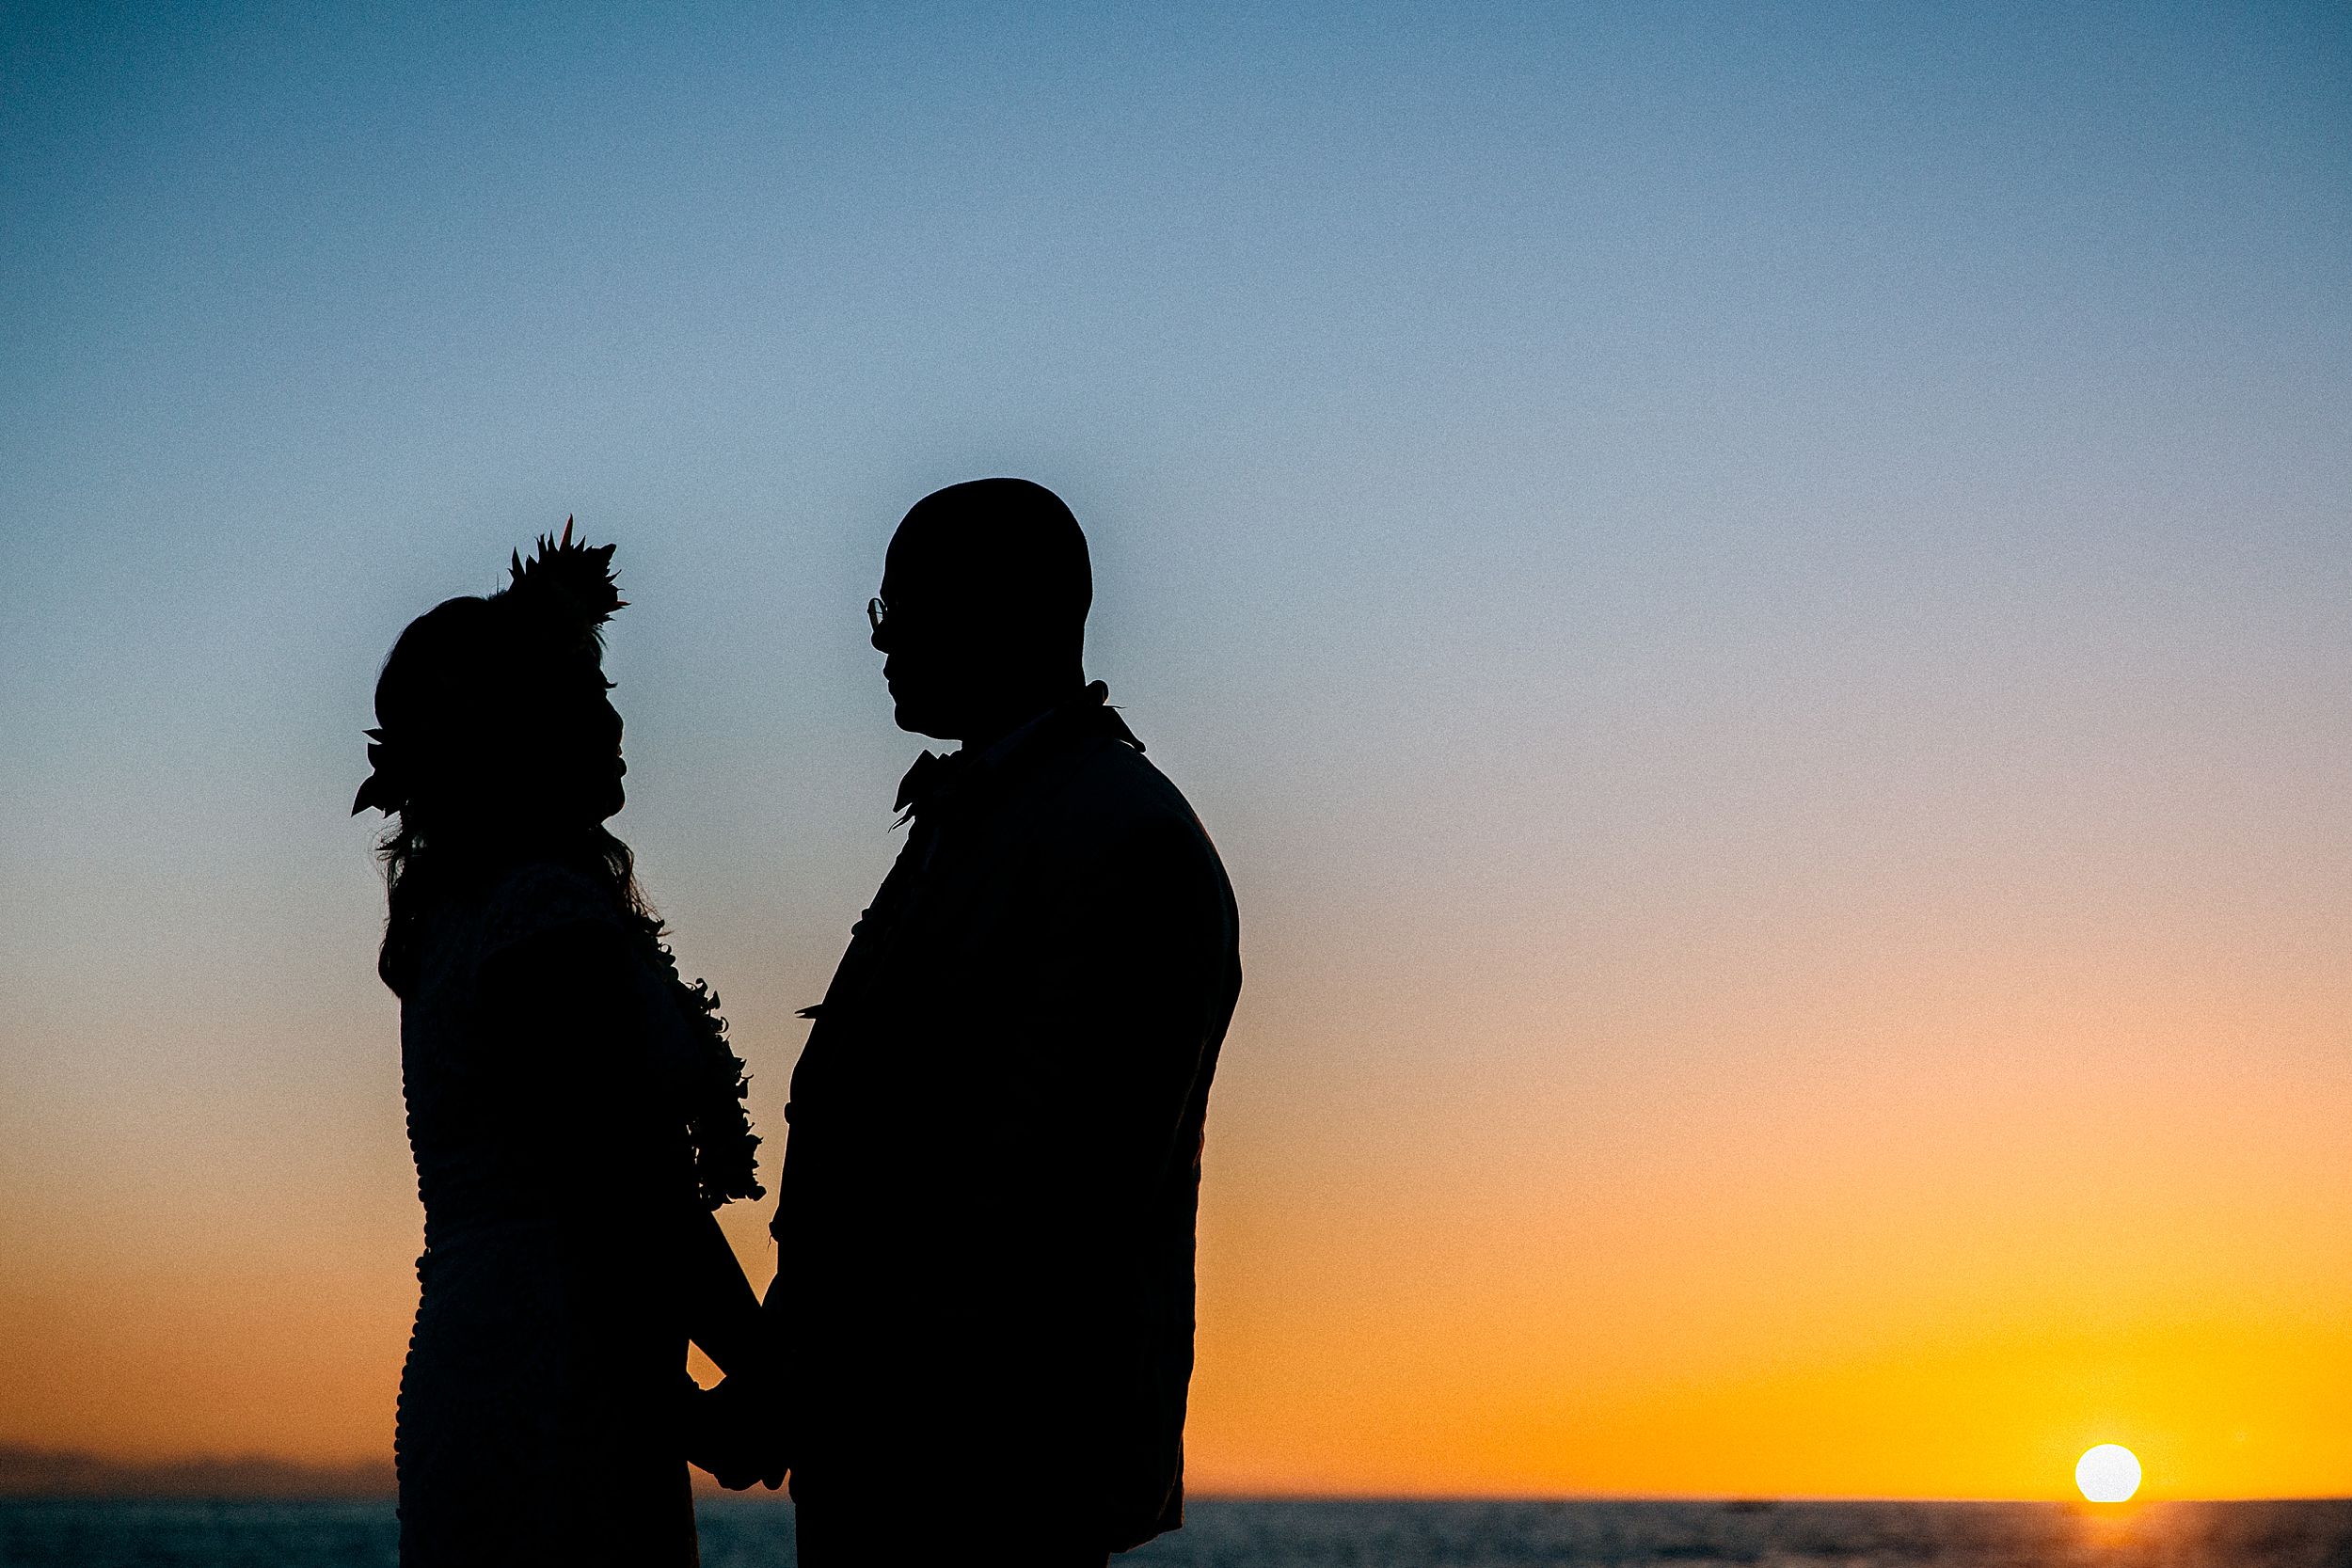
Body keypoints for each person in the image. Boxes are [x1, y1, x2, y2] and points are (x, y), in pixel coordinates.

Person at [707, 480, 1243, 1566]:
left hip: (995, 1465)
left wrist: (818, 1377)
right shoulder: (983, 822)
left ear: (1011, 610)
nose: (881, 642)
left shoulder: (1122, 839)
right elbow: (872, 1144)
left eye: (900, 609)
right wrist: (789, 1359)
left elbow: (1058, 1190)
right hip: (882, 1447)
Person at [357, 524, 770, 1566]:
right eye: (586, 692)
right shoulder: (540, 914)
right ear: (519, 729)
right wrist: (761, 1377)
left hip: (497, 1339)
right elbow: (623, 1178)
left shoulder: (461, 909)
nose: (616, 715)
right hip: (558, 1363)